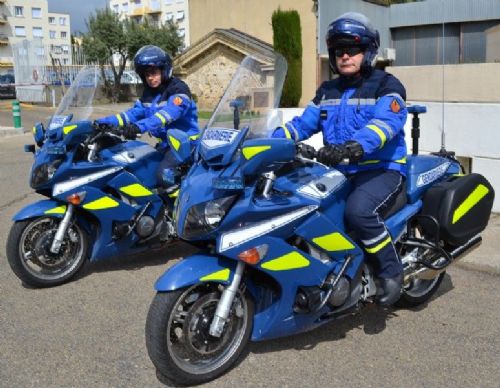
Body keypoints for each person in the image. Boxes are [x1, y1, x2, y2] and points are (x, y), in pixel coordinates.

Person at [272, 12, 408, 306]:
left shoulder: (387, 85)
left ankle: (391, 271)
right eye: (338, 51)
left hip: (380, 169)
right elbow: (301, 125)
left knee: (358, 212)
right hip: (340, 170)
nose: (344, 56)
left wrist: (352, 148)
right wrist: (267, 141)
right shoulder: (327, 90)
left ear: (368, 51)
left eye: (352, 49)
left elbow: (386, 125)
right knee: (301, 203)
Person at [96, 45, 199, 183]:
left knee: (163, 175)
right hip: (166, 145)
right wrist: (101, 122)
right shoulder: (149, 94)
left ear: (164, 70)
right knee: (140, 168)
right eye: (147, 74)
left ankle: (177, 203)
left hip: (186, 145)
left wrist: (138, 127)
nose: (150, 78)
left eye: (154, 72)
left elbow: (167, 114)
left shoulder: (178, 89)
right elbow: (130, 115)